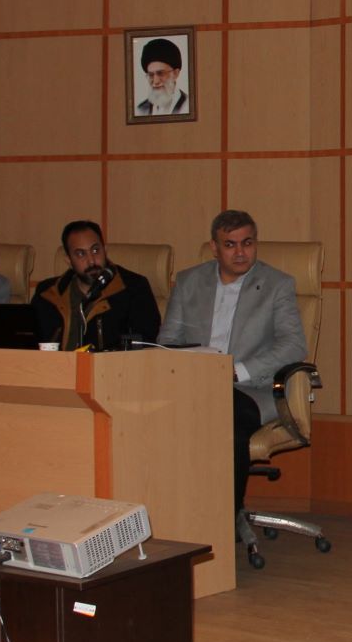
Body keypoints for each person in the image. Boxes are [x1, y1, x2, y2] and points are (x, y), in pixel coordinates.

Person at [159, 210, 307, 525]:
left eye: (247, 243)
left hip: (252, 389)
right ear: (214, 248)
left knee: (227, 425)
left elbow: (293, 346)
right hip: (196, 385)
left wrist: (236, 371)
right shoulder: (188, 282)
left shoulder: (277, 284)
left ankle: (225, 520)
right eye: (230, 245)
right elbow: (168, 342)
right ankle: (174, 513)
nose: (240, 252)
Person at [31, 220, 161, 351]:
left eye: (95, 250)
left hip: (111, 364)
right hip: (52, 364)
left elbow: (146, 346)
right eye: (81, 254)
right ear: (68, 260)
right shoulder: (47, 294)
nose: (91, 261)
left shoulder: (133, 289)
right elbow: (29, 345)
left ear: (105, 250)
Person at [135, 37, 188, 116]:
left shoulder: (188, 105)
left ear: (175, 73)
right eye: (151, 75)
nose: (155, 81)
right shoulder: (141, 110)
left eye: (161, 73)